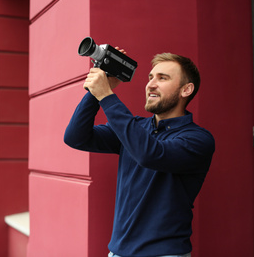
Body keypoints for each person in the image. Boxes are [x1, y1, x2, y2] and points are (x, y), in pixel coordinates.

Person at [64, 50, 215, 257]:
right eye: (150, 77)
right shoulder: (136, 127)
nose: (151, 84)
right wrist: (94, 93)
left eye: (163, 78)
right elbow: (75, 137)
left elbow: (150, 154)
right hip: (117, 253)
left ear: (186, 89)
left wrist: (106, 96)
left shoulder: (198, 139)